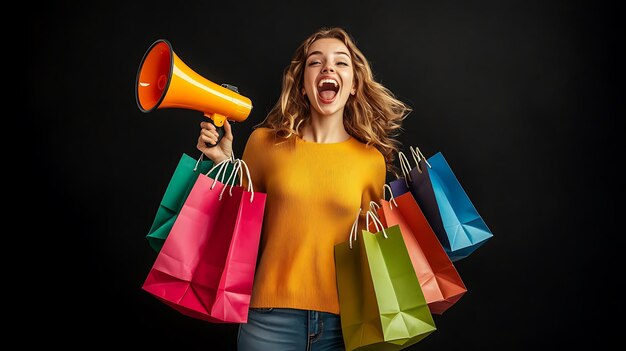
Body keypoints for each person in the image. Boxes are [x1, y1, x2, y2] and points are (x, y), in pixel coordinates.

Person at [197, 27, 410, 351]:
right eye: (316, 62)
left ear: (353, 85)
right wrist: (223, 165)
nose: (328, 68)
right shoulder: (264, 143)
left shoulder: (371, 160)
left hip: (343, 327)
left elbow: (371, 248)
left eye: (341, 63)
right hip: (268, 321)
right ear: (301, 83)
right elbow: (234, 228)